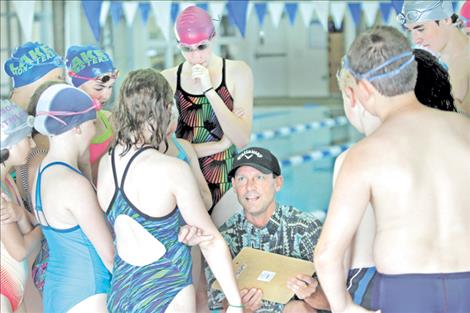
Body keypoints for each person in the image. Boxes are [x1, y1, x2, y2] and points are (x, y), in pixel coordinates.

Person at [315, 26, 470, 313]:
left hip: (408, 291)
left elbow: (327, 255)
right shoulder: (465, 130)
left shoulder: (365, 154)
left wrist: (344, 308)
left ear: (363, 89)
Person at [96, 68, 242, 313]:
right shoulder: (172, 169)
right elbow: (210, 241)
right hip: (168, 290)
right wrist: (235, 303)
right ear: (164, 108)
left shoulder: (106, 163)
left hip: (123, 293)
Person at [205, 147, 330, 313]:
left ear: (277, 183)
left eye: (259, 177)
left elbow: (337, 301)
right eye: (242, 179)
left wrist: (313, 295)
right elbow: (217, 307)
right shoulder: (224, 239)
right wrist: (239, 307)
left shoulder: (304, 229)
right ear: (234, 186)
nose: (250, 186)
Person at [162, 5, 253, 213]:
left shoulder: (237, 72)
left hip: (226, 179)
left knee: (228, 244)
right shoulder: (168, 79)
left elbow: (241, 139)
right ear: (178, 45)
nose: (194, 56)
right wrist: (221, 144)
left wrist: (209, 90)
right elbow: (166, 146)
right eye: (186, 48)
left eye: (201, 47)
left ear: (213, 37)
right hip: (183, 177)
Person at [31, 84, 113, 313]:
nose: (95, 131)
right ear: (77, 128)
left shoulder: (42, 171)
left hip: (58, 292)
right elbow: (108, 254)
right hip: (88, 293)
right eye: (93, 123)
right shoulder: (73, 184)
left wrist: (84, 161)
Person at [1, 100, 42, 313]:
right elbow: (19, 250)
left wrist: (20, 215)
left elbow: (28, 225)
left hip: (15, 292)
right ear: (7, 145)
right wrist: (46, 228)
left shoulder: (7, 181)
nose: (34, 144)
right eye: (27, 138)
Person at [400, 0, 470, 114]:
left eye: (421, 29)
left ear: (446, 19)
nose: (416, 39)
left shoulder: (464, 63)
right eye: (410, 31)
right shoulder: (441, 65)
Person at [65, 45, 118, 182]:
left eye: (110, 87)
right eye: (99, 88)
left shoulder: (107, 117)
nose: (106, 95)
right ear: (75, 85)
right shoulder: (67, 127)